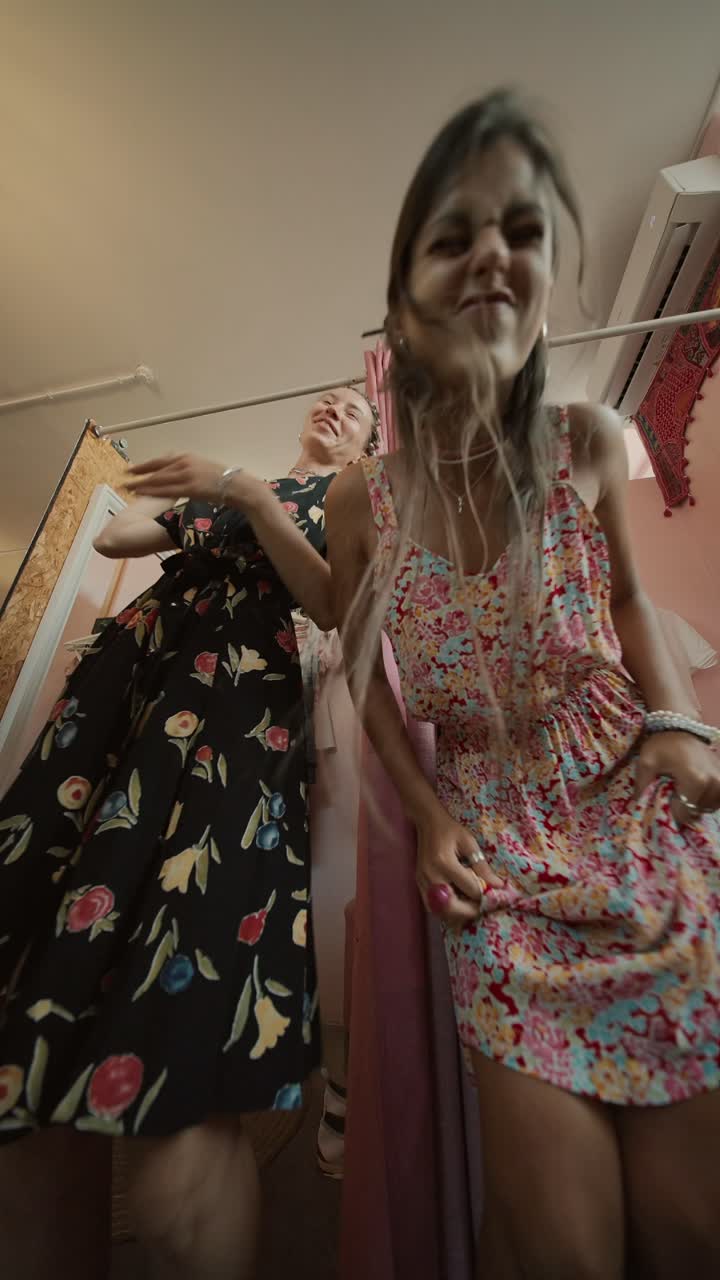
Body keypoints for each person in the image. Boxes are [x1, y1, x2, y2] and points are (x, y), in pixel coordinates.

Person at [326, 91, 720, 1279]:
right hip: (497, 843)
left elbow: (634, 606)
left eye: (523, 231)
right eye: (453, 236)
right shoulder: (361, 500)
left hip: (638, 814)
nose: (494, 252)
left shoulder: (593, 437)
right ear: (405, 298)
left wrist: (684, 725)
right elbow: (359, 660)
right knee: (565, 1250)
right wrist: (432, 810)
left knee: (692, 1230)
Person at [0, 384, 376, 1280]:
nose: (334, 407)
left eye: (355, 406)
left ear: (371, 437)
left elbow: (332, 606)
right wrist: (202, 492)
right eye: (326, 400)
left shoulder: (355, 498)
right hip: (120, 709)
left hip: (231, 717)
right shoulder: (229, 492)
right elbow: (111, 537)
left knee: (186, 974)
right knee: (29, 1105)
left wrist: (246, 492)